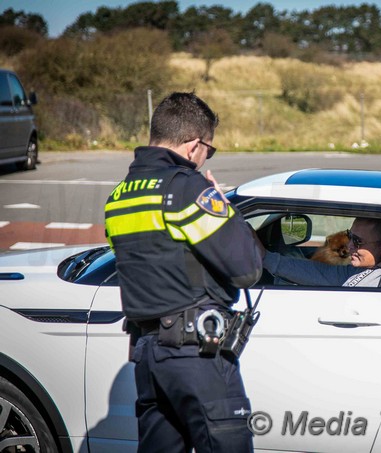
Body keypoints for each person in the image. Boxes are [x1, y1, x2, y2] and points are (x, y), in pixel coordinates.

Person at [104, 92, 263, 452]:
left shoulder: (119, 198)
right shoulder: (188, 189)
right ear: (194, 146)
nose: (207, 157)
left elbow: (136, 261)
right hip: (197, 357)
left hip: (147, 356)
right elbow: (246, 268)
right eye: (210, 149)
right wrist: (223, 206)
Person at [262, 217, 381, 287]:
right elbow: (318, 272)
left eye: (358, 242)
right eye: (350, 237)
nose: (349, 247)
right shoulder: (360, 270)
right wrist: (265, 257)